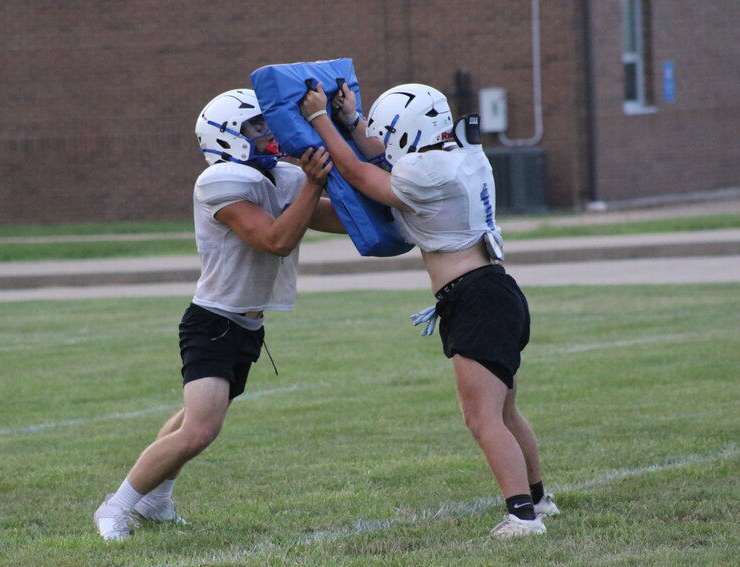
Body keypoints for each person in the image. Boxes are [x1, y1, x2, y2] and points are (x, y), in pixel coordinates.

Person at [300, 81, 559, 539]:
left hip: (475, 297)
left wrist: (322, 120)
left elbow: (363, 175)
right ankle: (538, 499)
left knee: (482, 418)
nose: (383, 141)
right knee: (504, 413)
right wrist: (351, 120)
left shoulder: (428, 170)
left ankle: (522, 516)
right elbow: (382, 153)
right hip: (494, 291)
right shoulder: (457, 153)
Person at [94, 88, 344, 541]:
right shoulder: (219, 180)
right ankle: (117, 506)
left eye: (266, 123)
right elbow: (275, 240)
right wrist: (313, 182)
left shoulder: (280, 177)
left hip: (248, 325)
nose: (268, 134)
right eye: (255, 126)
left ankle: (154, 499)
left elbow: (338, 219)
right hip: (213, 321)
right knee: (202, 430)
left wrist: (360, 164)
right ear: (227, 135)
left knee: (192, 422)